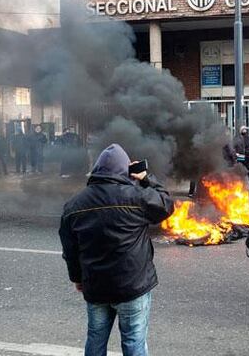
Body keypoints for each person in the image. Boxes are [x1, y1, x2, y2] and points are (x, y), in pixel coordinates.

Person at [59, 144, 174, 356]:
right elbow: (166, 204)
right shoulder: (136, 198)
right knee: (133, 343)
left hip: (95, 286)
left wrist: (77, 278)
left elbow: (70, 250)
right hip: (132, 287)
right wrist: (147, 179)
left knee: (95, 340)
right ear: (124, 171)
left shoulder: (74, 205)